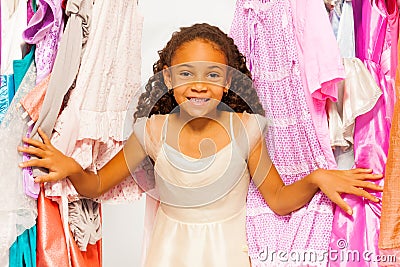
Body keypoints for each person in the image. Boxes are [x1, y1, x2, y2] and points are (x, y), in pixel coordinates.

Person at [18, 23, 383, 267]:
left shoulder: (246, 129)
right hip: (169, 251)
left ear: (228, 83)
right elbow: (97, 185)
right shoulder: (152, 132)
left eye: (212, 75)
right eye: (186, 74)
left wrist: (317, 177)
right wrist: (71, 167)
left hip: (228, 251)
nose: (198, 84)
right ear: (168, 80)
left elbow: (278, 198)